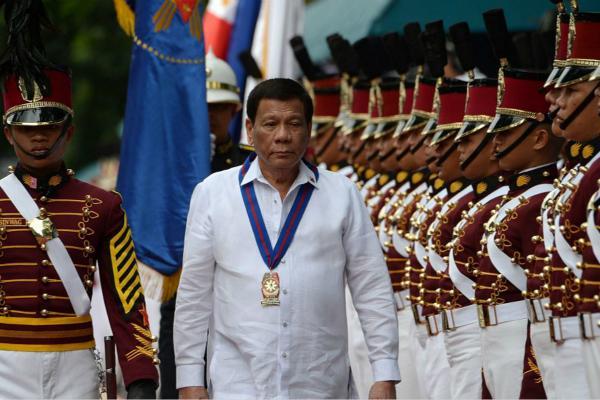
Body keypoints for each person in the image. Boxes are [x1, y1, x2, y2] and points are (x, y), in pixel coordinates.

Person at [174, 78, 400, 399]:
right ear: (250, 130)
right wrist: (189, 379)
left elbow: (371, 286)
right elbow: (193, 296)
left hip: (319, 383)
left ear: (308, 129)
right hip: (239, 384)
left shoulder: (342, 193)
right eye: (270, 124)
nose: (282, 135)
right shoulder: (212, 193)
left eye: (294, 124)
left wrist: (385, 372)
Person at [0, 1, 158, 398]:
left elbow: (126, 299)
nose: (38, 136)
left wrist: (140, 376)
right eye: (26, 129)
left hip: (75, 365)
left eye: (49, 126)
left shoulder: (105, 205)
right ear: (8, 134)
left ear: (68, 132)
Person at [158, 49, 248, 399]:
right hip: (183, 289)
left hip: (241, 292)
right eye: (202, 107)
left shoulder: (251, 164)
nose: (209, 116)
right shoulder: (168, 166)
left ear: (234, 110)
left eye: (218, 107)